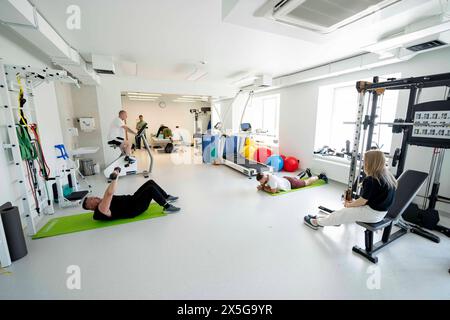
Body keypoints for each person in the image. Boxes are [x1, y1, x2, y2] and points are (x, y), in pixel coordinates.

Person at [303, 150, 397, 230]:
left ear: (370, 163)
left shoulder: (371, 180)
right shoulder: (388, 177)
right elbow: (372, 198)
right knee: (343, 212)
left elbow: (362, 201)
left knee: (344, 212)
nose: (364, 164)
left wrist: (350, 204)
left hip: (372, 214)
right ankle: (331, 220)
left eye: (365, 162)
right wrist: (353, 204)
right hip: (381, 213)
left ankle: (316, 222)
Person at [82, 167, 180, 220]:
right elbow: (110, 193)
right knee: (150, 189)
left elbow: (108, 191)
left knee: (150, 182)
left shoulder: (102, 202)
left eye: (92, 197)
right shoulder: (101, 210)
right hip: (135, 208)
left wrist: (116, 173)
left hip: (133, 199)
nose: (94, 197)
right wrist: (116, 177)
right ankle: (167, 207)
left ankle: (165, 197)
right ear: (91, 207)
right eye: (92, 200)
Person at [256, 170, 328, 194]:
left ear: (264, 177)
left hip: (291, 183)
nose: (260, 182)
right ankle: (306, 171)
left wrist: (263, 188)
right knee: (296, 178)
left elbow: (273, 191)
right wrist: (263, 185)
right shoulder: (266, 174)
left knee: (307, 182)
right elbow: (264, 183)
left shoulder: (272, 180)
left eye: (261, 181)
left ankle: (320, 176)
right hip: (285, 179)